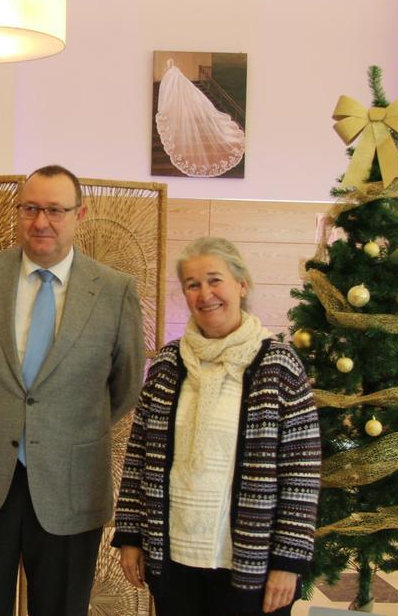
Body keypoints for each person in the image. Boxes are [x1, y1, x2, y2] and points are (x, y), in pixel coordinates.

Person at [0, 165, 145, 616]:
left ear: (80, 214)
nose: (41, 222)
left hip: (71, 480)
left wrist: (64, 425)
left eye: (55, 210)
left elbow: (127, 384)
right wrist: (1, 413)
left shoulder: (114, 290)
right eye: (30, 209)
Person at [113, 237, 321, 615]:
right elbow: (139, 457)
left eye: (215, 280)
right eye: (193, 284)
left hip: (249, 565)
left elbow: (301, 474)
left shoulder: (280, 367)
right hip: (174, 557)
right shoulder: (166, 364)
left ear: (242, 285)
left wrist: (288, 562)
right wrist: (131, 535)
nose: (204, 294)